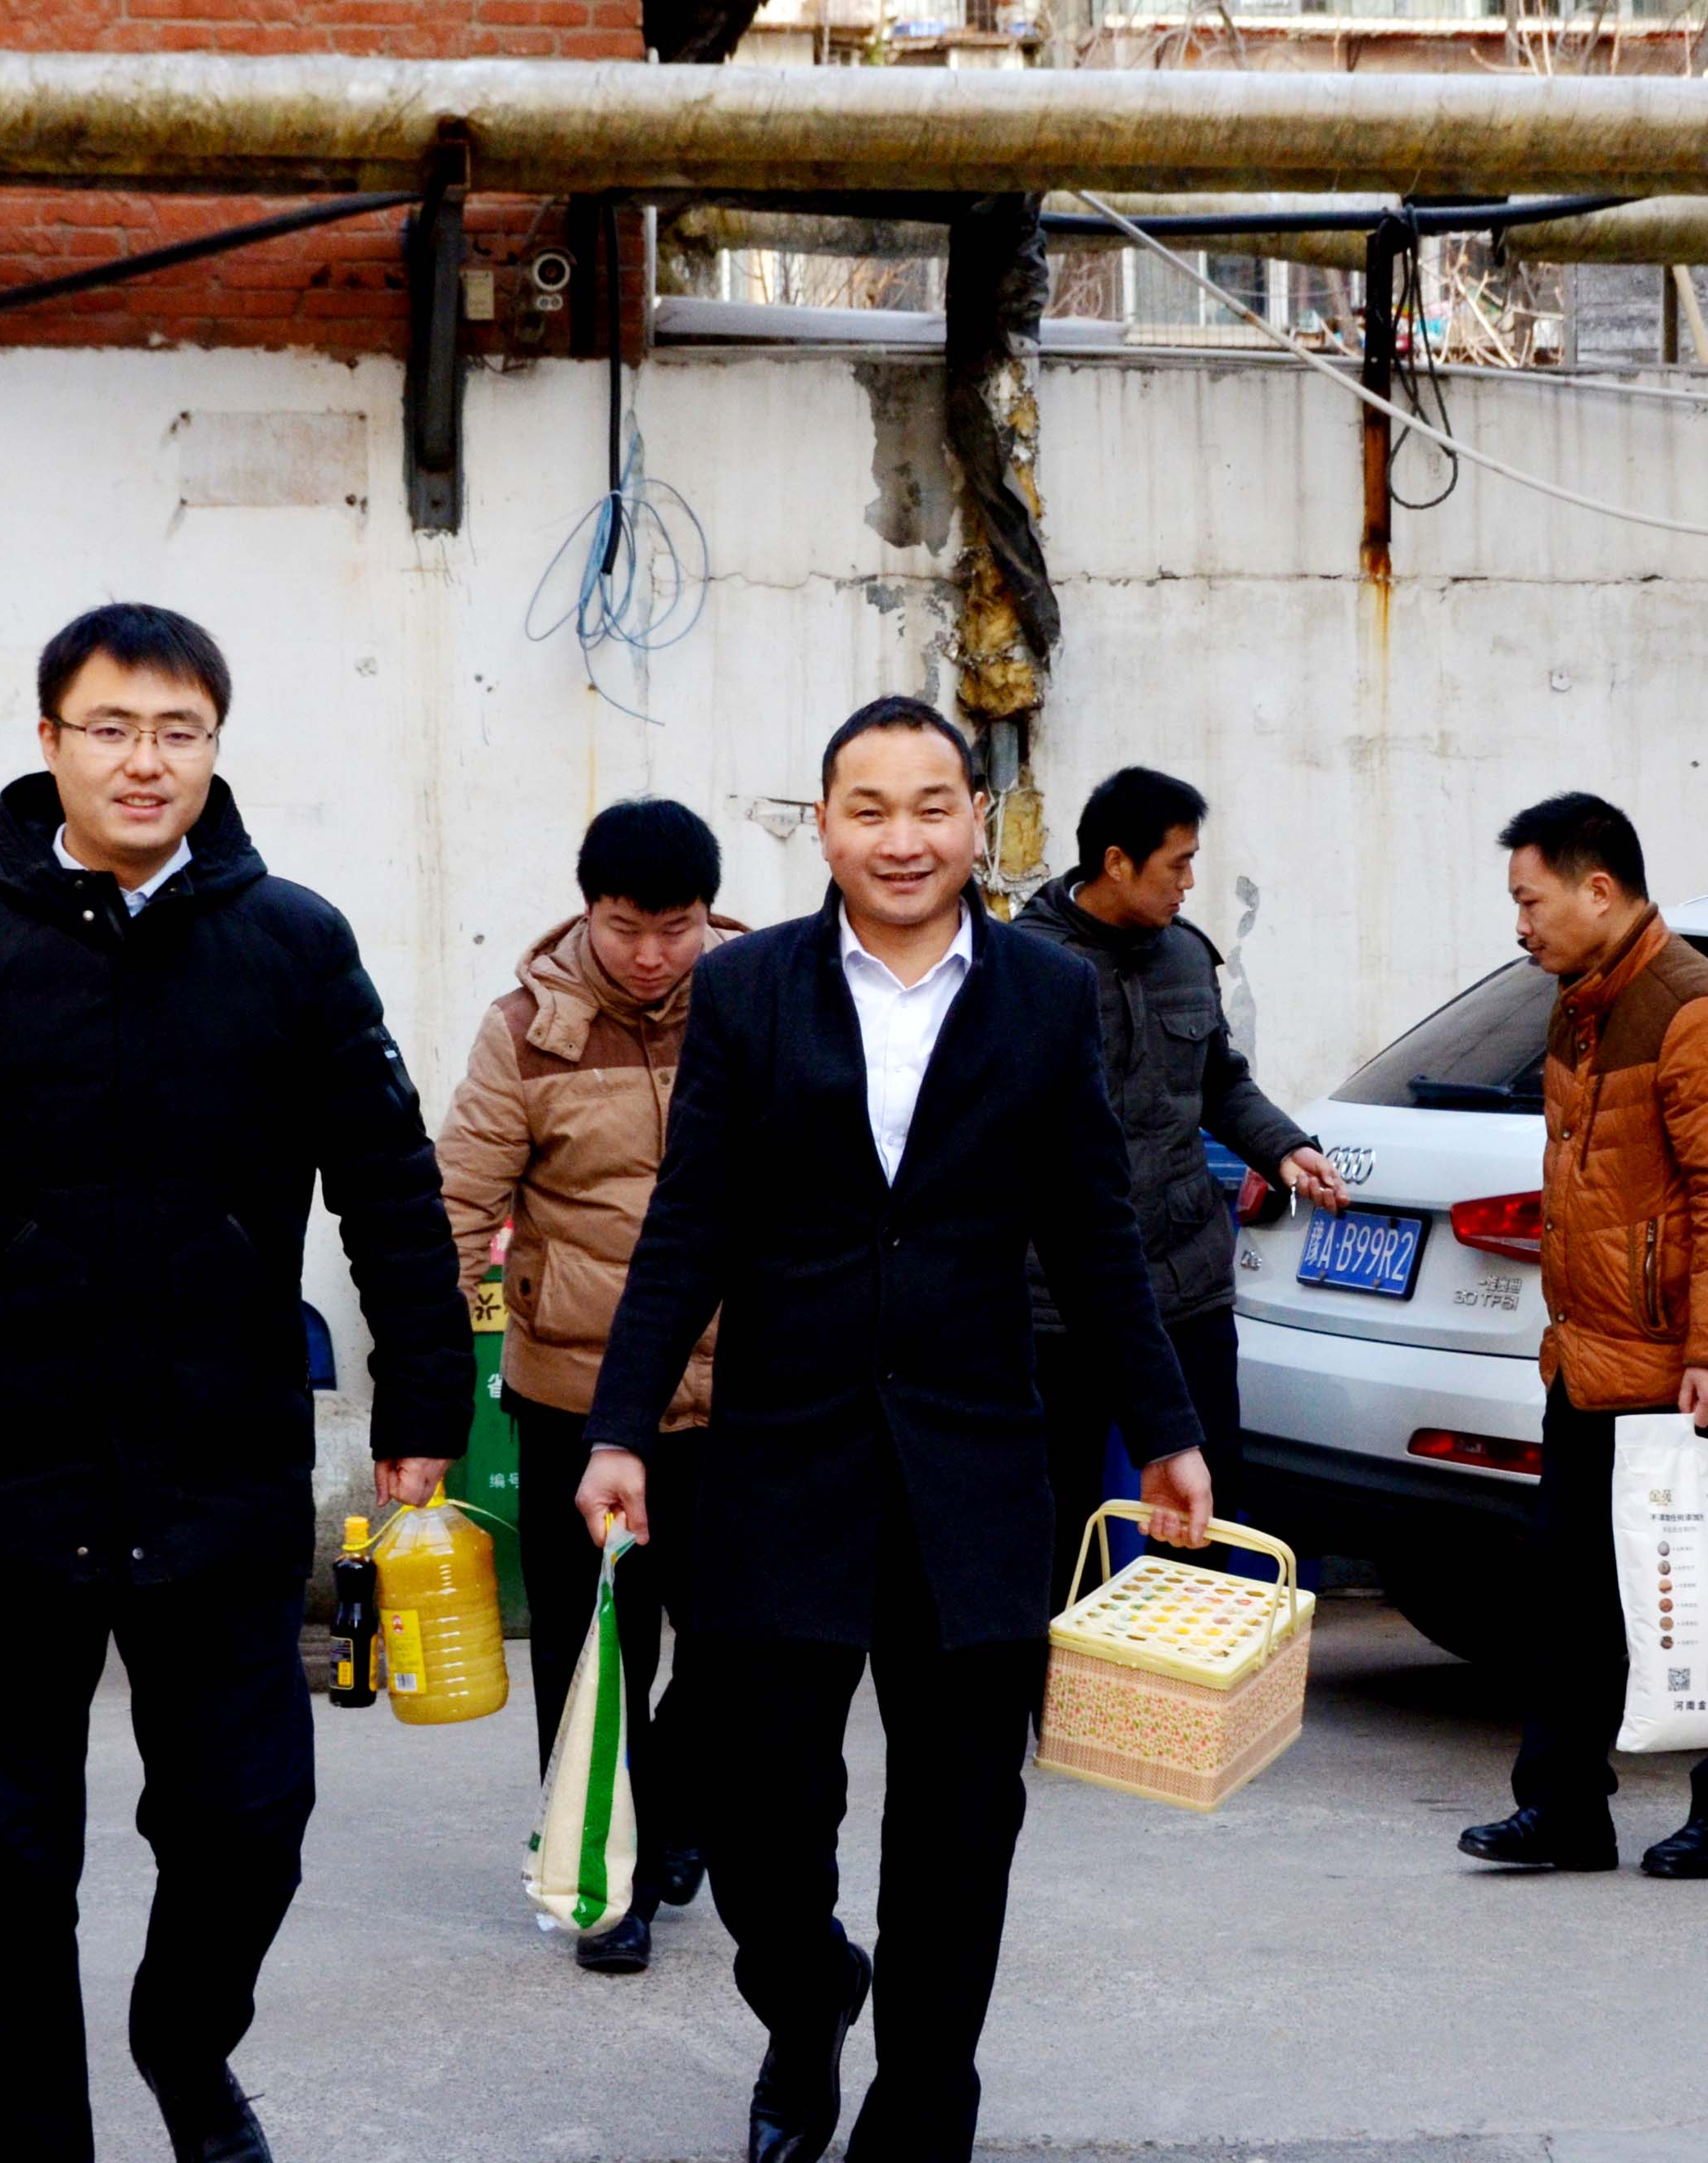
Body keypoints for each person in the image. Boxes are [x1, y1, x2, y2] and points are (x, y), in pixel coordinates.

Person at [0, 603, 472, 2163]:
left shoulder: (291, 944)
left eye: (176, 731)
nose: (142, 761)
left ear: (214, 747)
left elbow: (388, 1189)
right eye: (109, 728)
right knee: (11, 1866)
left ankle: (182, 2035)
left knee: (247, 1823)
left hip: (215, 1468)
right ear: (50, 743)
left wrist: (423, 1408)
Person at [574, 697, 1215, 2163]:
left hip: (972, 1467)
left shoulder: (1043, 994)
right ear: (822, 827)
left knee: (958, 1820)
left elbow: (1093, 1230)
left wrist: (1163, 1424)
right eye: (868, 809)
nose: (903, 838)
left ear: (978, 821)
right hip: (779, 1463)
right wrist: (619, 1427)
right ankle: (805, 2007)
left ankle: (925, 2100)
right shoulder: (748, 990)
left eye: (932, 806)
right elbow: (689, 1225)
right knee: (758, 1818)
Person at [1459, 791, 1708, 1881]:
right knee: (1567, 1591)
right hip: (1592, 1353)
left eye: (1531, 900)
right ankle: (1564, 1810)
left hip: (1684, 1360)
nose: (1520, 924)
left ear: (1597, 890)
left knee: (1706, 1591)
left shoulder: (1697, 1013)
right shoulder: (1581, 1002)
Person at [435, 797, 741, 1976]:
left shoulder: (763, 998)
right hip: (577, 1392)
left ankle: (673, 1805)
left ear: (707, 914)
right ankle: (602, 1880)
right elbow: (461, 1202)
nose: (652, 955)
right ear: (587, 912)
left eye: (676, 928)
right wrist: (425, 1378)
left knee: (740, 1641)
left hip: (741, 1396)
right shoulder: (526, 1031)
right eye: (626, 928)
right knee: (589, 1657)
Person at [1013, 766, 1350, 1594]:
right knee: (1051, 1522)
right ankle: (1055, 1675)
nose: (1190, 882)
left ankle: (1174, 1678)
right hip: (1056, 1298)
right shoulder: (1023, 969)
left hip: (1184, 1281)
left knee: (1198, 1511)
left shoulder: (1185, 956)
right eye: (1179, 863)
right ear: (1116, 862)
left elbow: (1219, 1082)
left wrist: (1283, 1149)